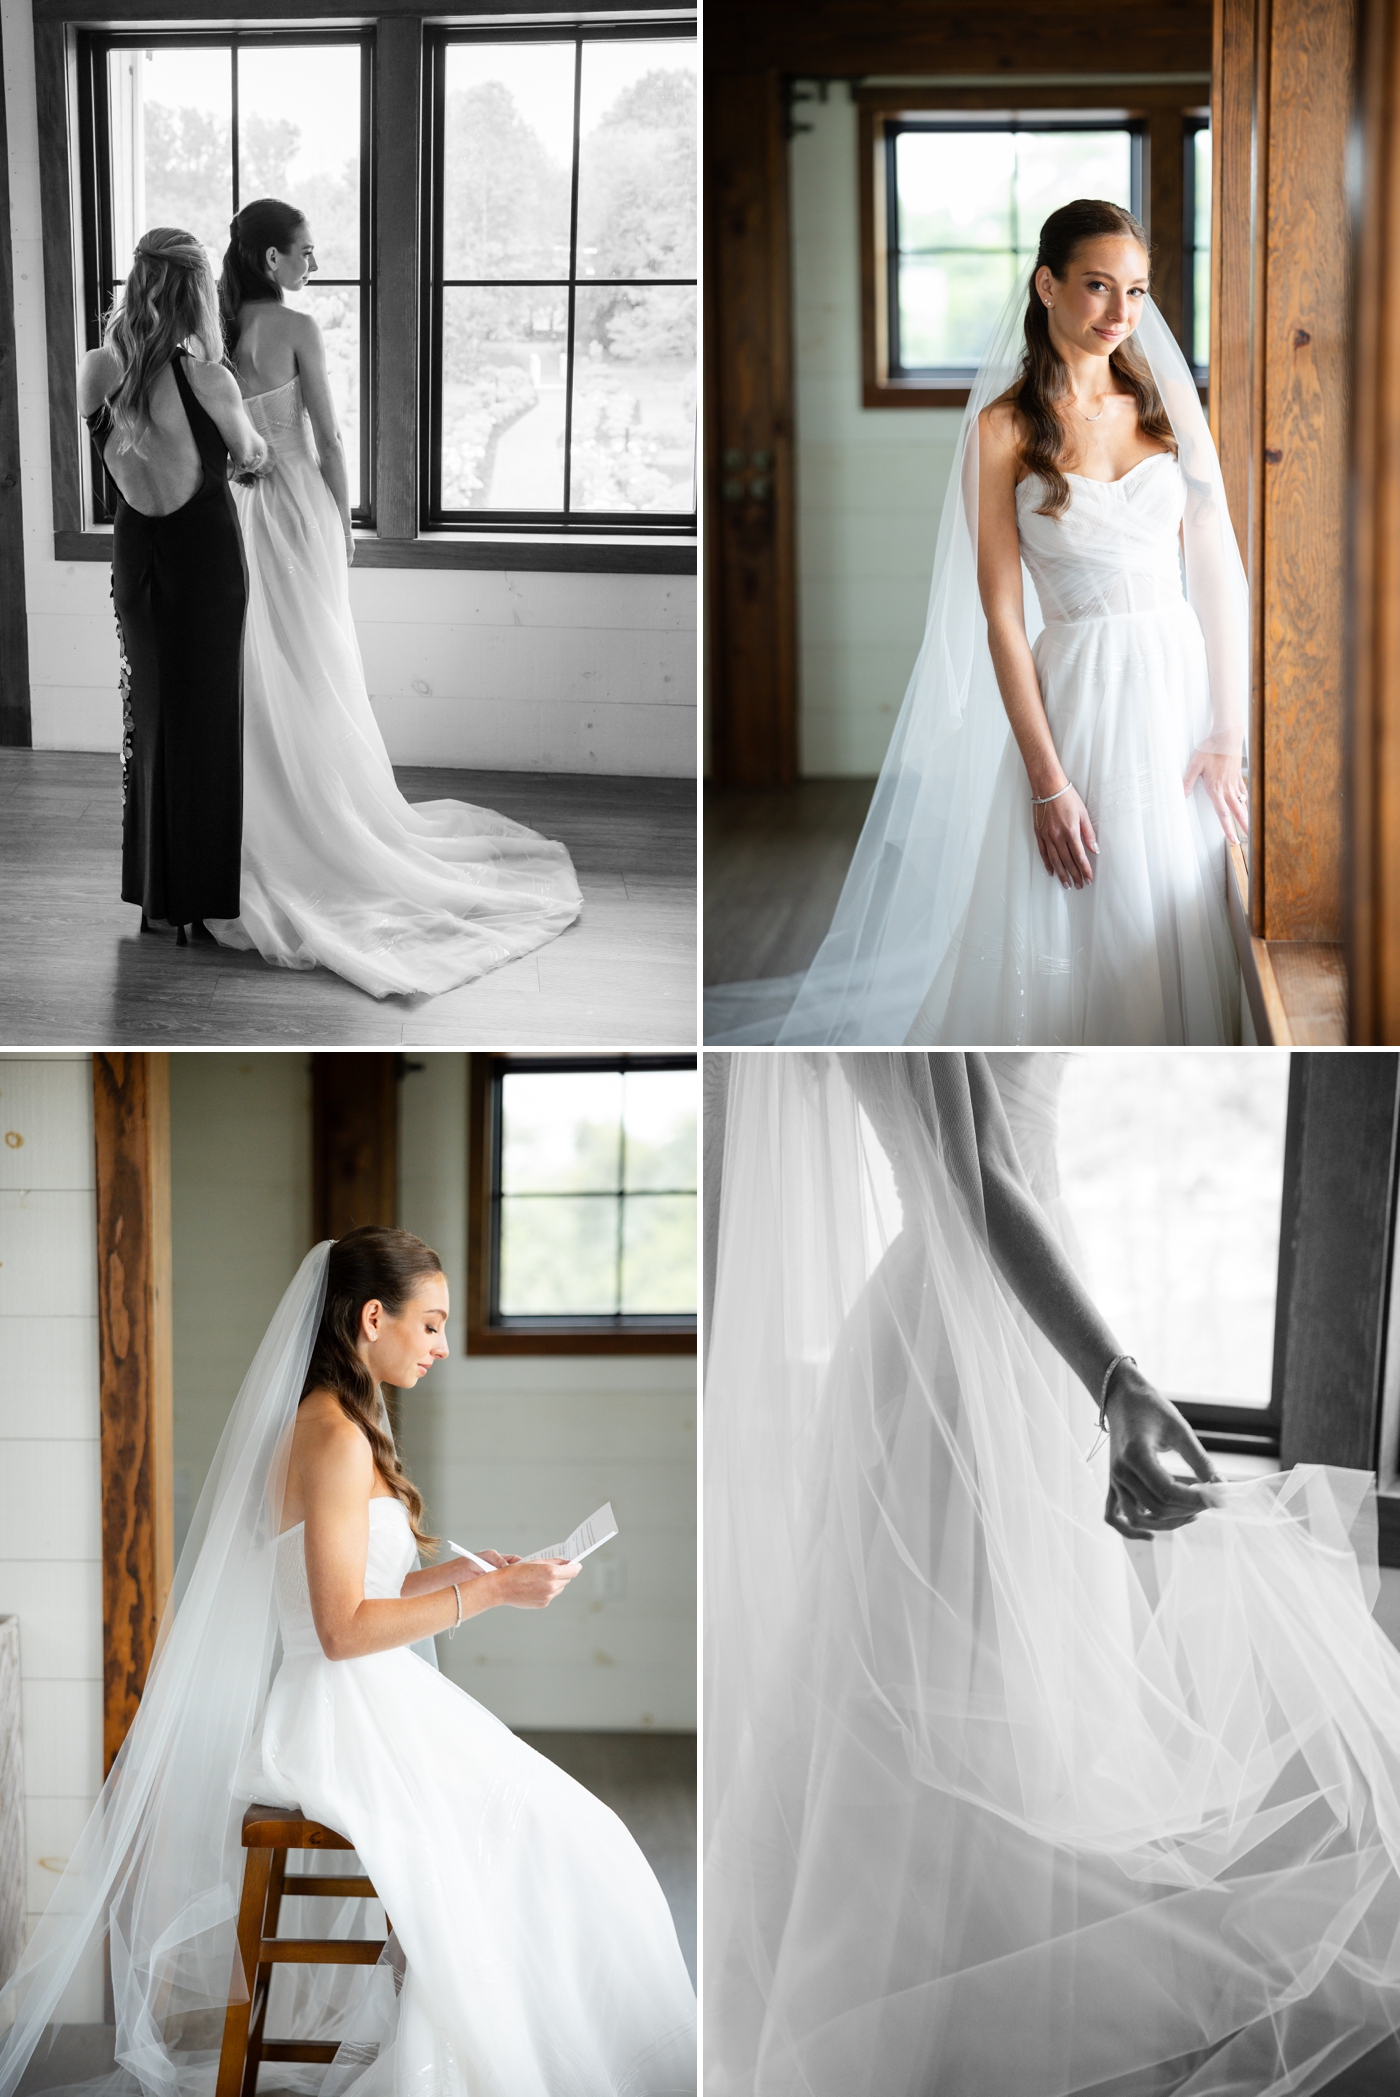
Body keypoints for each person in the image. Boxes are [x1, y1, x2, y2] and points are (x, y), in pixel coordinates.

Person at [705, 1052, 1400, 2094]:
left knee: (1000, 1708)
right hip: (961, 1356)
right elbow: (976, 1169)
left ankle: (956, 2017)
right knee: (922, 1702)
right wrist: (1116, 1379)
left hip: (1013, 1336)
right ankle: (886, 2023)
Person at [0, 1226, 696, 2097]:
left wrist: (488, 1571)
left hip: (376, 1698)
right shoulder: (333, 1437)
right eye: (433, 1323)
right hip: (343, 1711)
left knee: (579, 1831)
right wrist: (489, 1598)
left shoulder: (339, 1422)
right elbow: (337, 1628)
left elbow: (364, 1582)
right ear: (374, 1316)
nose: (443, 1344)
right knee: (569, 1836)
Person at [705, 201, 1248, 1047]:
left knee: (1178, 898)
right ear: (1048, 284)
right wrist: (1047, 778)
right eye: (1099, 286)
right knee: (1081, 900)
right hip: (1077, 693)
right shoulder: (1001, 429)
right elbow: (1000, 616)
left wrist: (1226, 729)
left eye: (1137, 293)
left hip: (1175, 686)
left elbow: (1216, 573)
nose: (1119, 314)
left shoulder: (1168, 412)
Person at [206, 198, 582, 999]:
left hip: (240, 511)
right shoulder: (295, 327)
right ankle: (325, 818)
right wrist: (341, 524)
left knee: (259, 667)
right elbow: (332, 438)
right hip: (298, 503)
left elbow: (221, 438)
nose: (314, 261)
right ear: (272, 259)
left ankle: (262, 822)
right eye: (305, 250)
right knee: (316, 660)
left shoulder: (214, 329)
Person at [77, 228, 269, 944]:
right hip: (207, 562)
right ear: (194, 292)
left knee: (150, 722)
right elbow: (250, 457)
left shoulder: (99, 368)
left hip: (139, 560)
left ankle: (156, 899)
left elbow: (109, 444)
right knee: (210, 725)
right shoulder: (210, 380)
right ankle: (203, 900)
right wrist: (249, 451)